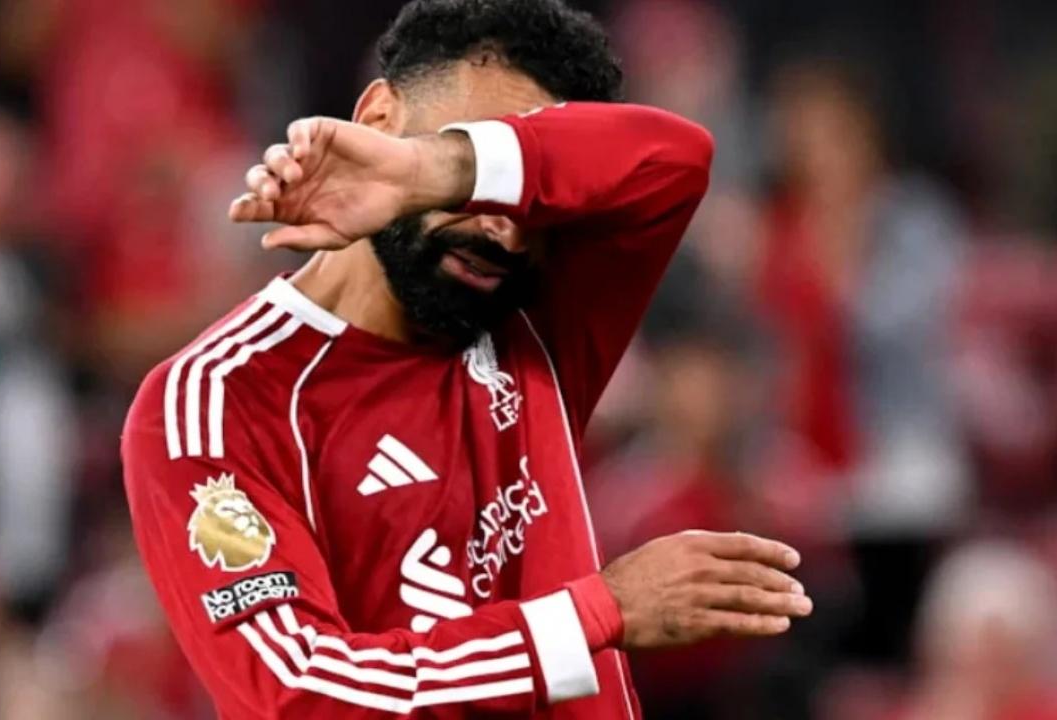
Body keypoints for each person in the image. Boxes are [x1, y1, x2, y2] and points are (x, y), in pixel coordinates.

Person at [121, 1, 814, 717]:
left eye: (521, 196)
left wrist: (434, 171)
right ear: (379, 120)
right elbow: (300, 694)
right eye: (467, 167)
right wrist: (594, 614)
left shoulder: (535, 315)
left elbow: (676, 159)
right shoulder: (216, 401)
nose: (505, 232)